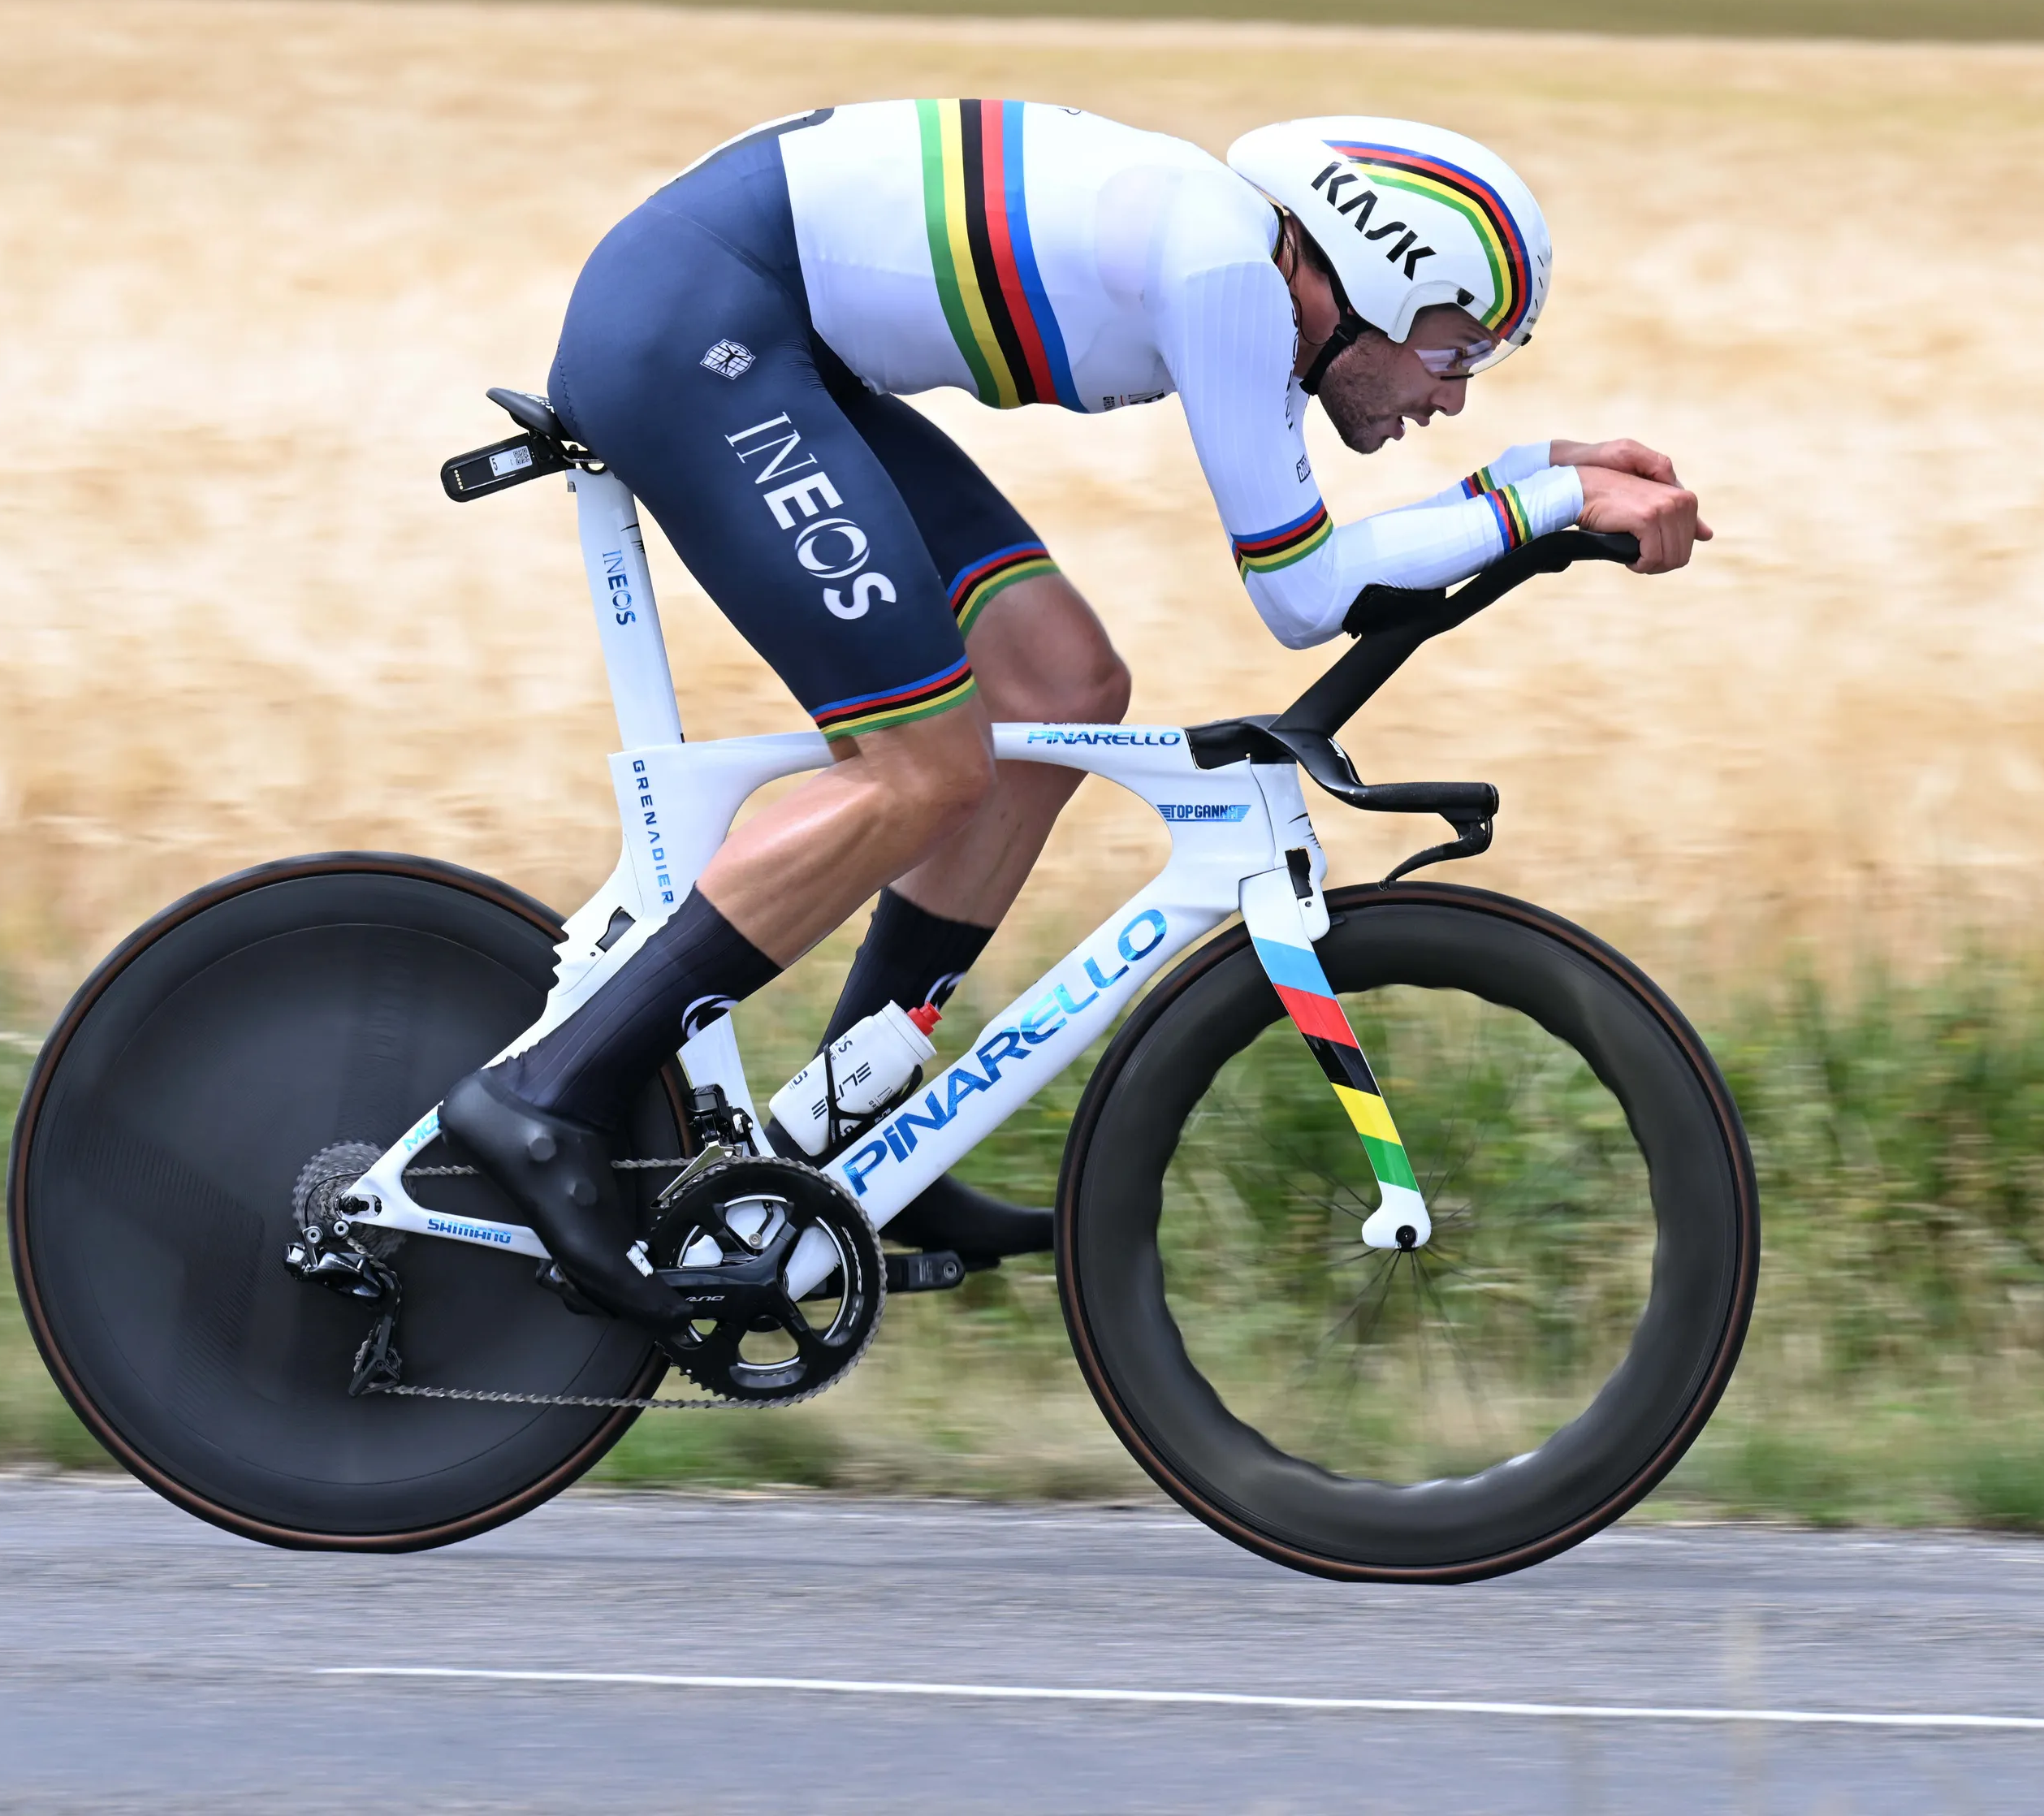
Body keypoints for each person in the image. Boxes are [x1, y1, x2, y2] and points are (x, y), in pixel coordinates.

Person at [441, 102, 1709, 1334]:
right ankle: (548, 1094)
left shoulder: (1246, 263)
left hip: (761, 334)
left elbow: (1332, 558)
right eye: (1454, 346)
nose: (1451, 396)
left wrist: (1529, 487)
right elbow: (1303, 592)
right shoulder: (1230, 272)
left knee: (1061, 689)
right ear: (1373, 276)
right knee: (919, 771)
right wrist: (1539, 503)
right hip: (698, 336)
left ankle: (850, 1131)